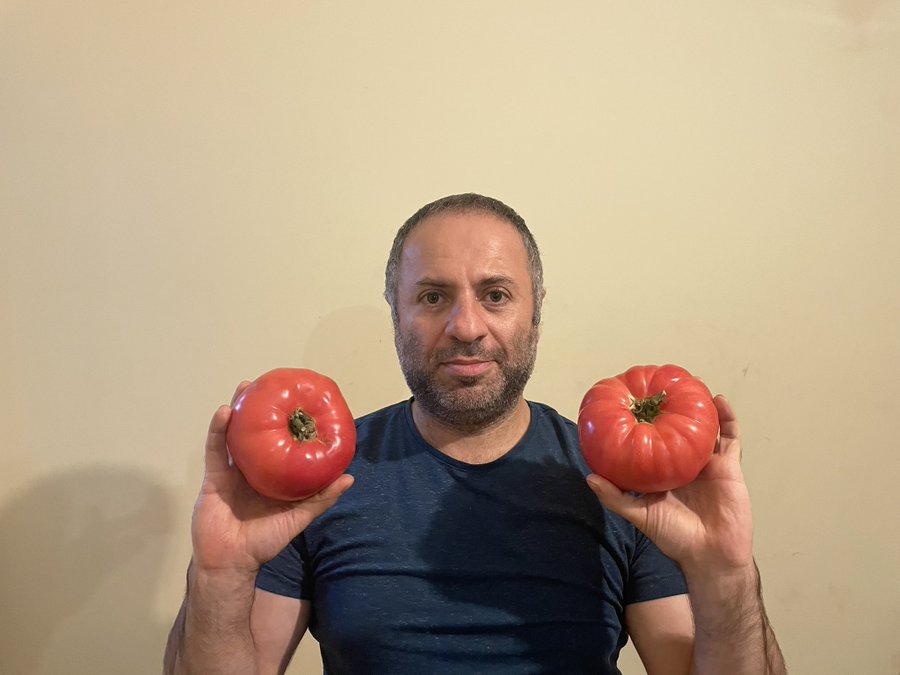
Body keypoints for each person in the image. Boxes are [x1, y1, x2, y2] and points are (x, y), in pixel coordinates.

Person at [164, 193, 786, 674]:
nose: (466, 327)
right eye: (434, 297)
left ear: (535, 313)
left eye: (495, 295)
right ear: (397, 314)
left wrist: (726, 574)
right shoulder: (319, 481)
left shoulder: (621, 481)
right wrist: (220, 574)